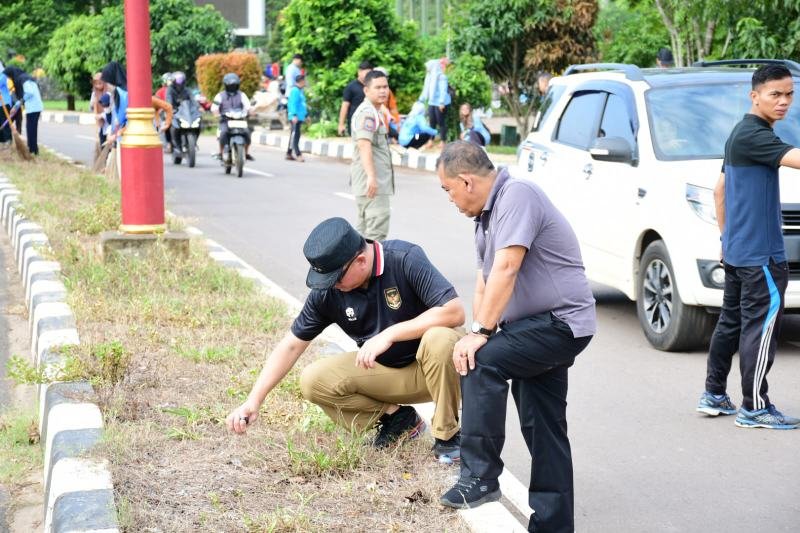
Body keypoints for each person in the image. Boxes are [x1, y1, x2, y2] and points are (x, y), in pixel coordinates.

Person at [436, 142, 596, 532]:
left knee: (480, 361)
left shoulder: (517, 195)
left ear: (466, 181)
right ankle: (554, 526)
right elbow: (485, 282)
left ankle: (480, 475)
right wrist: (479, 328)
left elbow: (508, 266)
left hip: (559, 323)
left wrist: (480, 335)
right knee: (544, 427)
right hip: (532, 328)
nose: (450, 199)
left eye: (448, 190)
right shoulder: (485, 219)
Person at [226, 217, 466, 459]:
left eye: (335, 278)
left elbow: (454, 311)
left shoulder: (404, 258)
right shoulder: (329, 292)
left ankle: (448, 435)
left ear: (360, 261)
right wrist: (253, 401)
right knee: (314, 380)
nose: (331, 285)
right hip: (392, 374)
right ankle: (400, 420)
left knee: (440, 338)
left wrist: (390, 334)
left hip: (441, 370)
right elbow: (290, 346)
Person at [696, 64, 800, 429]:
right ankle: (754, 407)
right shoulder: (755, 135)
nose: (784, 101)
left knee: (731, 324)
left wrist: (726, 239)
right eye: (776, 94)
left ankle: (714, 395)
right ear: (754, 96)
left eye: (789, 93)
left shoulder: (739, 133)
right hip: (761, 255)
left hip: (739, 251)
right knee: (761, 329)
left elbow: (719, 191)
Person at [350, 70, 394, 241]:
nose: (383, 91)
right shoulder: (368, 113)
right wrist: (371, 177)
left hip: (370, 182)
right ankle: (373, 268)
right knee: (376, 233)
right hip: (372, 184)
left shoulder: (375, 111)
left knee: (363, 233)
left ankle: (357, 267)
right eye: (378, 87)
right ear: (366, 90)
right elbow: (364, 144)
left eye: (385, 86)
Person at [211, 72, 255, 162]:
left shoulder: (242, 95)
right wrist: (217, 114)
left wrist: (251, 112)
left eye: (234, 85)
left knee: (247, 133)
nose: (232, 87)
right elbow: (214, 108)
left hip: (240, 120)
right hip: (225, 120)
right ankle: (221, 152)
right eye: (230, 85)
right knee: (223, 133)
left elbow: (248, 106)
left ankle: (246, 153)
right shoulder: (220, 96)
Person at [3, 66, 43, 155]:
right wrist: (16, 107)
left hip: (33, 107)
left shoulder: (23, 79)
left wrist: (18, 103)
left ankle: (33, 150)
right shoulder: (25, 77)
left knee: (31, 129)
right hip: (34, 107)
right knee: (31, 129)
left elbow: (29, 93)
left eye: (9, 77)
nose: (10, 79)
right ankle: (33, 149)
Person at [419, 58, 451, 146]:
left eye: (428, 67)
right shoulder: (429, 76)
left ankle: (443, 141)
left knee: (441, 122)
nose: (427, 69)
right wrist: (421, 100)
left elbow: (443, 90)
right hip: (432, 102)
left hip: (441, 102)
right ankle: (431, 140)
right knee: (432, 122)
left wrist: (441, 102)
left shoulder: (441, 77)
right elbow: (426, 89)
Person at [166, 71, 198, 157]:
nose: (179, 85)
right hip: (175, 112)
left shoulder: (187, 90)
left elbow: (193, 100)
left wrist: (197, 107)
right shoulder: (170, 90)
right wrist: (171, 109)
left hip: (186, 113)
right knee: (170, 126)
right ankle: (171, 143)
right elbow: (168, 101)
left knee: (198, 124)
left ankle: (194, 143)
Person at [338, 60, 373, 136]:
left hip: (369, 120)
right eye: (366, 73)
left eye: (370, 73)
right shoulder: (351, 87)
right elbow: (345, 106)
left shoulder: (372, 86)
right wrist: (341, 124)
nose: (368, 75)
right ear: (359, 72)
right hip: (355, 121)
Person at [100, 61, 129, 144]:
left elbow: (125, 119)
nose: (106, 86)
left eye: (107, 82)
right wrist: (111, 133)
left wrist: (115, 135)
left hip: (126, 139)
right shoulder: (116, 93)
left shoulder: (124, 94)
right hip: (119, 138)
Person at [374, 67, 400, 141]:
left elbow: (393, 108)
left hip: (385, 125)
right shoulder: (369, 91)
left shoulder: (388, 92)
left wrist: (397, 122)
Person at [286, 74, 308, 162]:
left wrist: (306, 115)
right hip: (295, 117)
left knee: (294, 135)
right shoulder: (295, 91)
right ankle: (298, 154)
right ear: (301, 81)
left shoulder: (300, 91)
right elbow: (292, 104)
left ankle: (289, 153)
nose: (305, 82)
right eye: (304, 81)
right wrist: (294, 115)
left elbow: (302, 105)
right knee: (295, 136)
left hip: (300, 117)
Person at [0, 61, 12, 144]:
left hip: (4, 103)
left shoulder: (3, 75)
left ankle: (8, 139)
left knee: (4, 122)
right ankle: (2, 140)